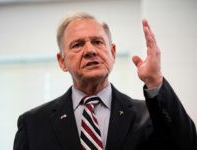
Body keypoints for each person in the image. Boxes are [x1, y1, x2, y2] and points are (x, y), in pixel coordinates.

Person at [13, 12, 197, 150]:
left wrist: (154, 80)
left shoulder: (149, 115)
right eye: (77, 45)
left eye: (98, 42)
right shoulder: (33, 124)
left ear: (113, 52)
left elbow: (187, 145)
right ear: (62, 61)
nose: (90, 50)